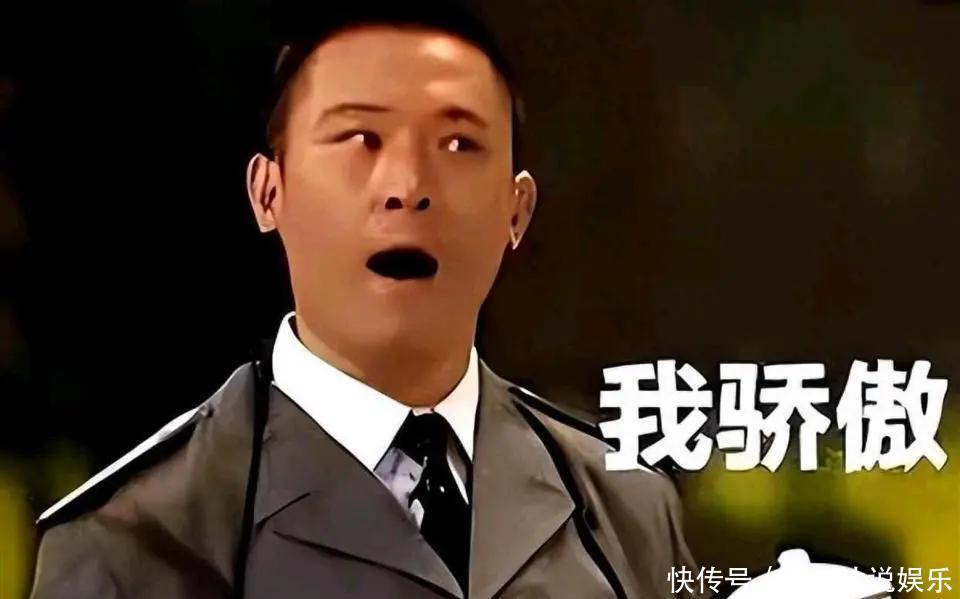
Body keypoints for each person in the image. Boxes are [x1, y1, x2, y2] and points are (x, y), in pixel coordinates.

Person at [29, 3, 702, 598]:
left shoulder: (626, 506)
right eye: (360, 139)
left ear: (517, 209)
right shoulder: (135, 536)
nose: (407, 186)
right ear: (268, 192)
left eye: (459, 143)